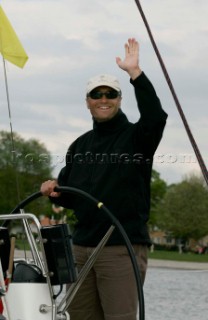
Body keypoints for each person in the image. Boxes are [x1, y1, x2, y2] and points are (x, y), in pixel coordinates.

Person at [41, 38, 168, 320]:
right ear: (87, 102)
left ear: (120, 99)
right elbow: (70, 194)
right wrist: (53, 190)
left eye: (110, 94)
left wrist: (136, 75)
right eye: (96, 95)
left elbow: (156, 117)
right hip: (80, 248)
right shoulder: (79, 145)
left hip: (121, 248)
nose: (103, 100)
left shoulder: (137, 139)